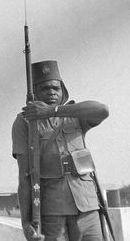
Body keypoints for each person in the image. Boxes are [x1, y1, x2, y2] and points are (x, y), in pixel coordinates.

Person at [12, 60, 109, 241]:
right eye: (45, 88)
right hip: (52, 212)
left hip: (88, 207)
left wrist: (53, 111)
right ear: (34, 92)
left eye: (56, 88)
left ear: (63, 90)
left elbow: (102, 110)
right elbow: (24, 177)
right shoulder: (24, 122)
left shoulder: (74, 113)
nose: (51, 92)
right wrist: (26, 222)